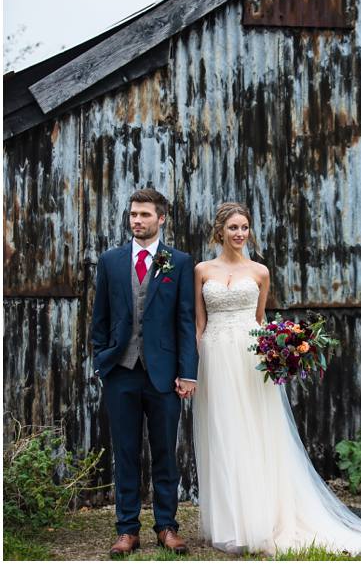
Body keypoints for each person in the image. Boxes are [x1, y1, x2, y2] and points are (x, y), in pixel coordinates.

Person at [192, 202, 361, 556]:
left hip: (247, 359)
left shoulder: (259, 271)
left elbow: (259, 321)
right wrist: (197, 360)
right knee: (223, 432)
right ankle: (230, 523)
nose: (239, 234)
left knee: (255, 434)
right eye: (233, 228)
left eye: (244, 227)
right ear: (220, 231)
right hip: (214, 357)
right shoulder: (202, 270)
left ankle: (261, 519)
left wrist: (277, 351)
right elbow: (200, 323)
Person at [89, 188, 197, 557]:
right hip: (121, 371)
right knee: (126, 452)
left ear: (161, 218)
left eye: (145, 215)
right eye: (133, 214)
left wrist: (188, 372)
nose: (137, 220)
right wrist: (103, 359)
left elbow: (185, 321)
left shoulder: (179, 262)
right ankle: (127, 529)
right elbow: (99, 317)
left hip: (164, 374)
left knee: (166, 451)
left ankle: (167, 526)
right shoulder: (111, 261)